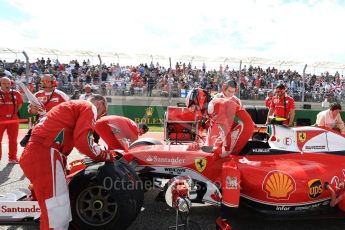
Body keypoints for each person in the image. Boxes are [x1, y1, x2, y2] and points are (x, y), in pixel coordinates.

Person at [19, 95, 113, 230]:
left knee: (54, 209)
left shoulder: (69, 107)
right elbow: (84, 143)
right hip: (47, 154)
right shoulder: (89, 106)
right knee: (56, 211)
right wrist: (106, 155)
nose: (99, 117)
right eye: (102, 112)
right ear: (99, 103)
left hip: (39, 153)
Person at [0, 77, 23, 163]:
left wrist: (14, 113)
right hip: (0, 119)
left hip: (13, 119)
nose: (7, 85)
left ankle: (12, 158)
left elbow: (20, 104)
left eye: (8, 83)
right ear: (0, 84)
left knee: (13, 139)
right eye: (4, 83)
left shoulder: (16, 93)